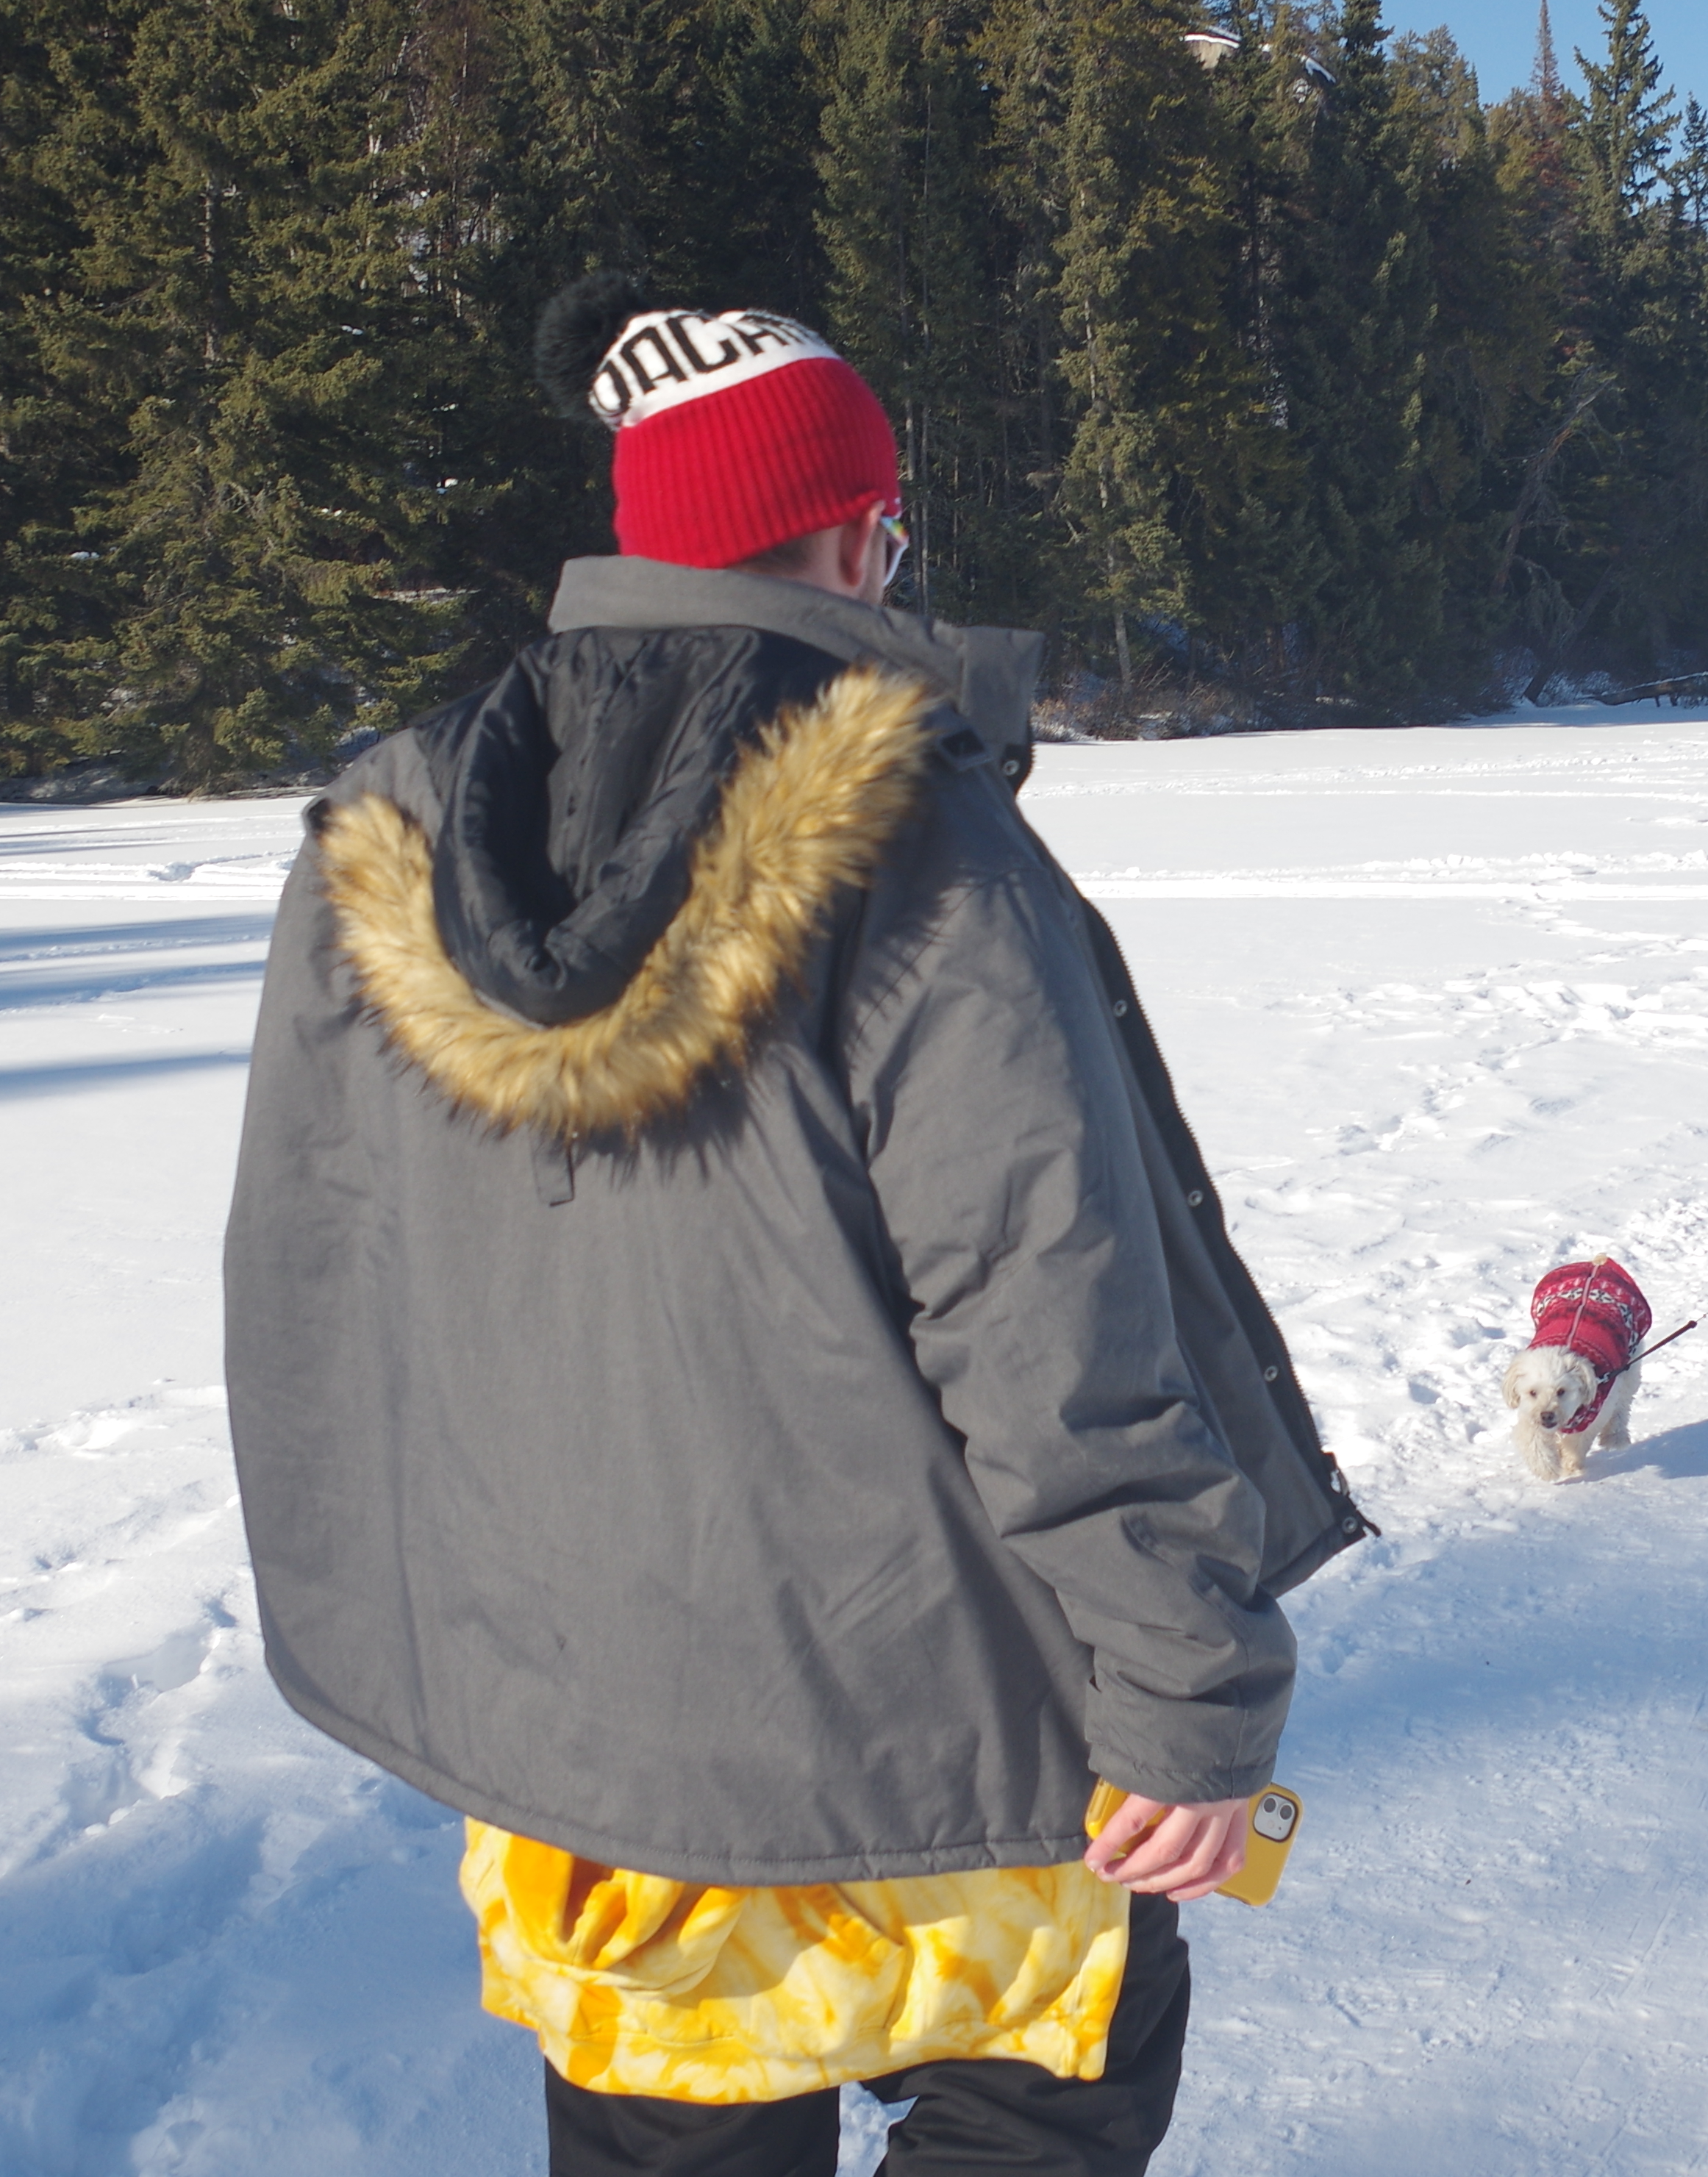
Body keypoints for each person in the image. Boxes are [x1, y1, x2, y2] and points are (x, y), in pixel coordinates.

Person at [225, 296, 1367, 2176]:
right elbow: (1045, 1315)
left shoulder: (387, 831)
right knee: (1043, 2095)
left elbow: (322, 1284)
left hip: (590, 1746)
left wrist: (438, 1659)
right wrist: (1185, 1683)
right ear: (857, 534)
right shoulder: (904, 835)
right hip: (937, 1721)